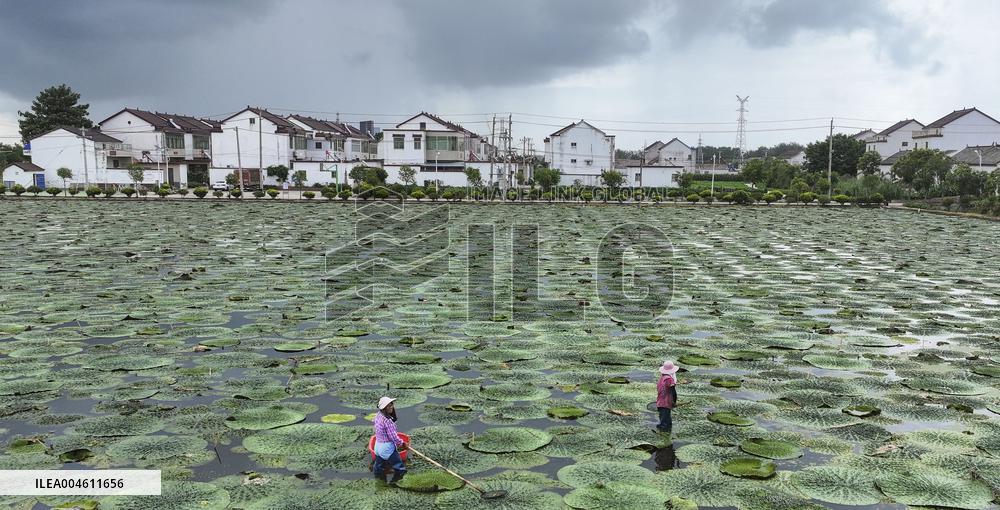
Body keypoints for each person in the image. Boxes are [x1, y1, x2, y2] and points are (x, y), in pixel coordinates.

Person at [373, 396, 407, 484]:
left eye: (391, 404)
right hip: (387, 448)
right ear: (384, 408)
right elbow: (394, 437)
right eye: (388, 406)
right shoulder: (388, 421)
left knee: (378, 466)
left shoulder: (378, 415)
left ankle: (379, 480)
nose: (391, 407)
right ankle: (397, 483)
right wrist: (402, 443)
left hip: (378, 446)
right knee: (399, 467)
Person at [656, 360, 679, 433]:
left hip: (660, 403)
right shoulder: (670, 380)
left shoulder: (661, 378)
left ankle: (665, 434)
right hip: (666, 404)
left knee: (665, 421)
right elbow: (673, 392)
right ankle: (663, 437)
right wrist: (674, 402)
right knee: (665, 424)